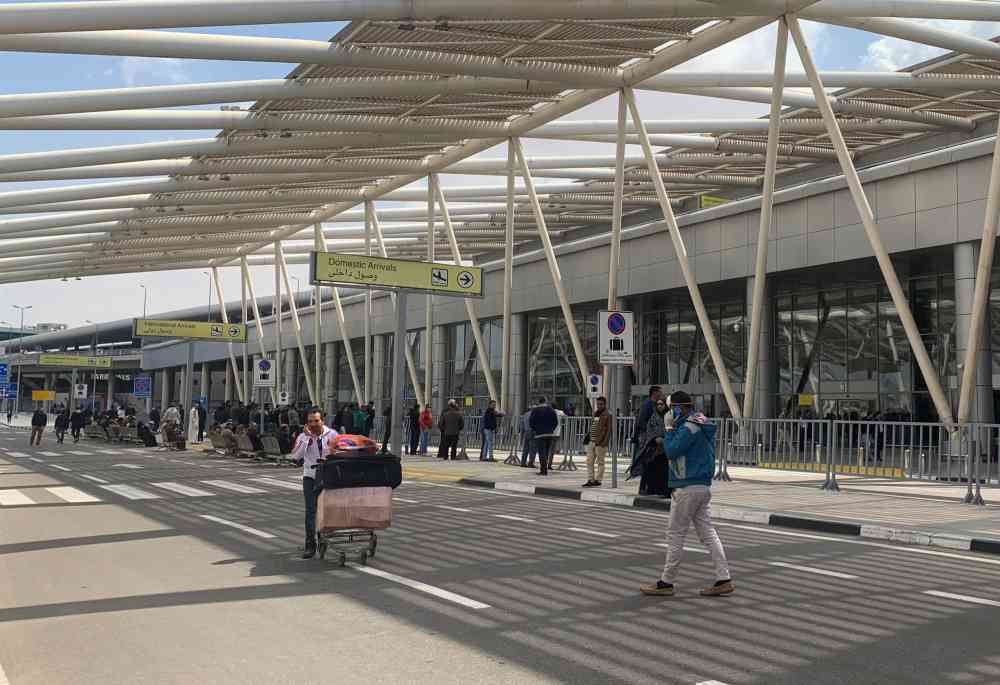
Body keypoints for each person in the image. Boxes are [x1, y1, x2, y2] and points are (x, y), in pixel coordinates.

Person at [641, 391, 734, 597]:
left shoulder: (688, 426)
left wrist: (667, 429)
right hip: (702, 486)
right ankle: (723, 578)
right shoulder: (700, 422)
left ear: (677, 408)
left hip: (687, 486)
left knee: (675, 534)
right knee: (708, 534)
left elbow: (673, 451)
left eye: (669, 408)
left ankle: (666, 582)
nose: (667, 412)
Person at [290, 407, 338, 559]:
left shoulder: (332, 434)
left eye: (316, 421)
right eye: (310, 421)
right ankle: (310, 545)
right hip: (310, 476)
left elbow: (339, 451)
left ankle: (323, 539)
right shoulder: (303, 437)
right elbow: (296, 456)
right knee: (311, 511)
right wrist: (308, 439)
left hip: (327, 476)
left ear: (322, 420)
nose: (313, 424)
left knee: (326, 510)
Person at [639, 398, 670, 498]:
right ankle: (651, 490)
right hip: (655, 448)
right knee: (652, 469)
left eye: (662, 404)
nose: (660, 406)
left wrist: (664, 438)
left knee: (664, 471)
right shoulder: (653, 417)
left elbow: (672, 429)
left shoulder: (669, 416)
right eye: (658, 404)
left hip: (666, 448)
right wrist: (655, 438)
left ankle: (664, 491)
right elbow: (649, 430)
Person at [582, 396, 611, 487]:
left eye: (601, 404)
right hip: (592, 441)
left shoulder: (608, 415)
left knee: (600, 462)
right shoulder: (595, 413)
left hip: (600, 442)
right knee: (589, 461)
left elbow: (609, 430)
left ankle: (598, 480)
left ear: (605, 404)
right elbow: (592, 426)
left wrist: (604, 442)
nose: (599, 406)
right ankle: (590, 479)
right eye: (598, 404)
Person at [528, 397, 558, 476]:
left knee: (541, 452)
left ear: (539, 402)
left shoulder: (535, 410)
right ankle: (545, 466)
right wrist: (551, 429)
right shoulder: (551, 410)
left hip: (540, 434)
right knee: (546, 452)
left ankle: (543, 470)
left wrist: (535, 429)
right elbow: (556, 422)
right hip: (550, 434)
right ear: (546, 401)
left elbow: (531, 422)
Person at [519, 402, 537, 468]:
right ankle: (531, 463)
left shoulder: (525, 414)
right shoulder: (534, 414)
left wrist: (522, 432)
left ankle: (523, 462)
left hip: (526, 432)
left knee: (525, 448)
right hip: (532, 431)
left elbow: (522, 425)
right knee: (533, 448)